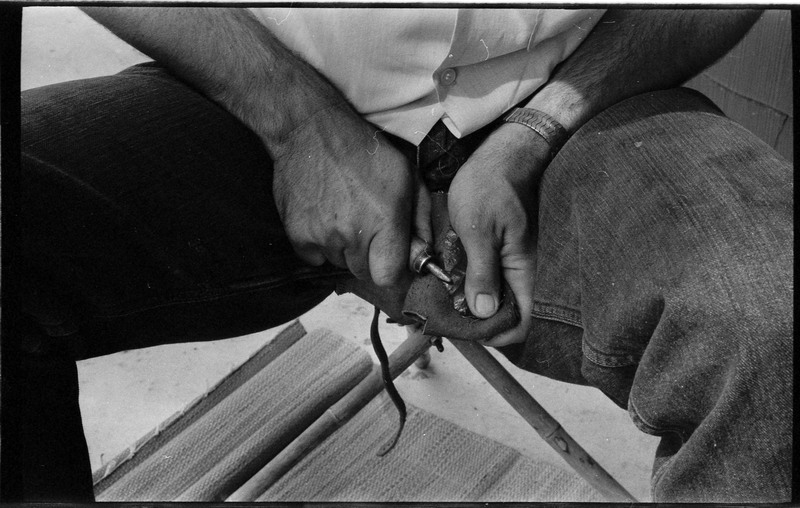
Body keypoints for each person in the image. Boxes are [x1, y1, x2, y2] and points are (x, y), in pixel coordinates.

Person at [2, 7, 792, 503]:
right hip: (260, 92)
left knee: (770, 319)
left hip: (571, 109)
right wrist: (301, 124)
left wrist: (535, 130)